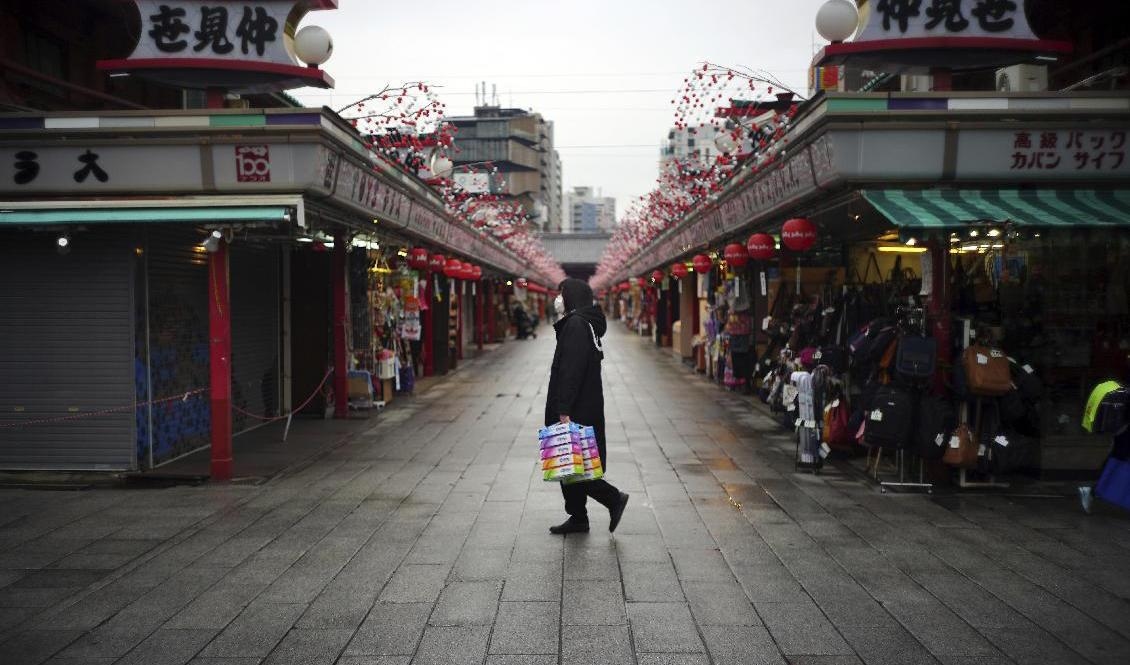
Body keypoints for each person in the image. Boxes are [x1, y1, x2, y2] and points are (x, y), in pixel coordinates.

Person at [544, 278, 629, 534]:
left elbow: (571, 369)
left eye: (562, 294)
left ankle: (613, 498)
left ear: (572, 297)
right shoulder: (584, 323)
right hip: (584, 403)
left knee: (573, 464)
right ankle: (578, 517)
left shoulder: (577, 325)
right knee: (567, 462)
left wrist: (564, 407)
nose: (559, 298)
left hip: (576, 407)